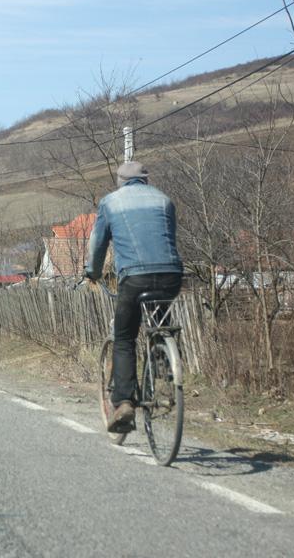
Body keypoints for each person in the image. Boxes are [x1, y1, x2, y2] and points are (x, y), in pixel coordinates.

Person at [84, 161, 183, 433]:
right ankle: (166, 364)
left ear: (120, 180)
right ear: (145, 180)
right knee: (161, 318)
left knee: (125, 337)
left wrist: (92, 272)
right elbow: (167, 238)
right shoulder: (165, 200)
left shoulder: (110, 202)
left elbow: (98, 243)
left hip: (134, 278)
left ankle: (124, 402)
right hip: (171, 274)